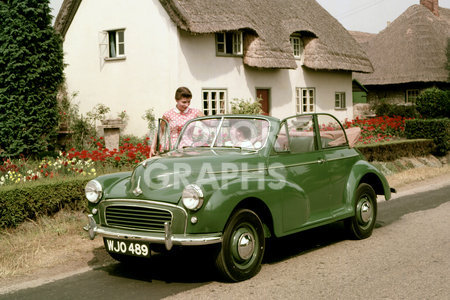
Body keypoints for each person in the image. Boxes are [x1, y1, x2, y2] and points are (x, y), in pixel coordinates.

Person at [150, 87, 203, 156]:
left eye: (189, 102)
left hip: (189, 147)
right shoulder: (168, 114)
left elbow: (210, 123)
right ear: (176, 100)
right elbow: (160, 131)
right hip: (172, 148)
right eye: (184, 102)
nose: (187, 105)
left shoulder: (195, 112)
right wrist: (153, 147)